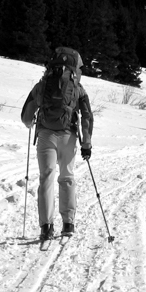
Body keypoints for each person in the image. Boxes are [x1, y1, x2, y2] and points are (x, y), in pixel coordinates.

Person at [21, 47, 93, 241]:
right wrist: (87, 143)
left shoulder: (43, 84)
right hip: (68, 138)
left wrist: (31, 123)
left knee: (46, 179)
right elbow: (87, 115)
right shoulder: (77, 87)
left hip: (46, 136)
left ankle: (46, 227)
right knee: (67, 177)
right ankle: (68, 223)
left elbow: (26, 115)